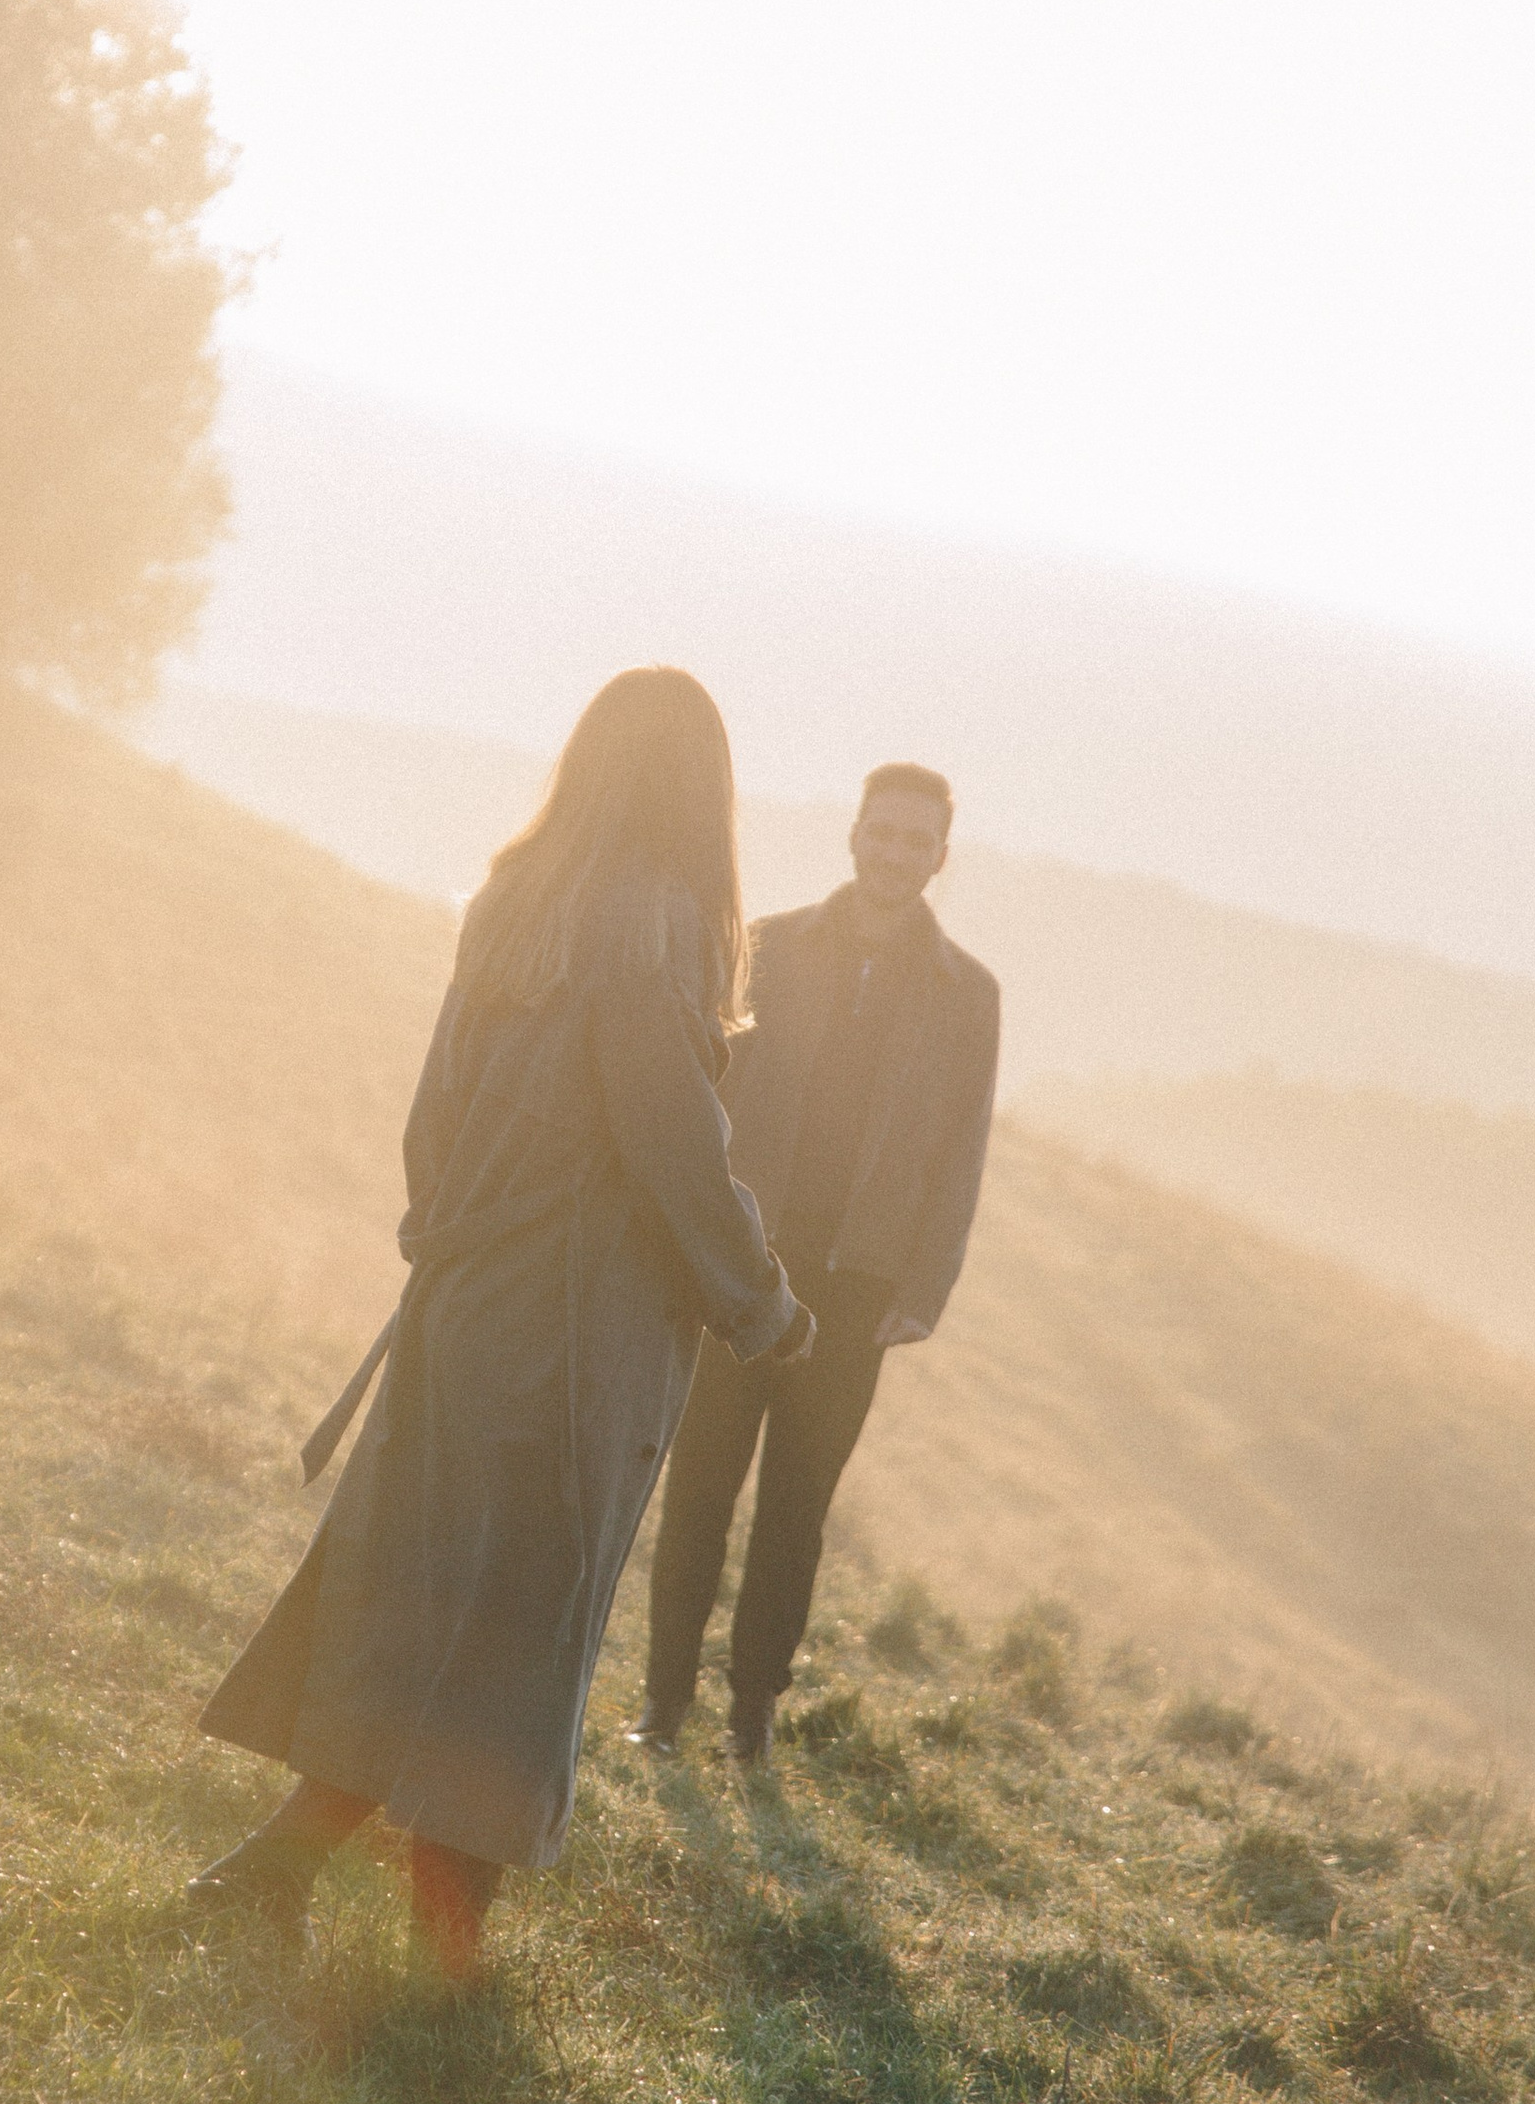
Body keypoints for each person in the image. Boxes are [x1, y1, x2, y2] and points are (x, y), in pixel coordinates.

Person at [187, 666, 813, 1982]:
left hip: (471, 1304)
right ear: (703, 791)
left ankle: (309, 1893)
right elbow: (677, 1153)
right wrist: (764, 1306)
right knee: (521, 1630)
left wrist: (446, 1242)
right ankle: (431, 1950)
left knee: (417, 1604)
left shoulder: (518, 897)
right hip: (579, 1338)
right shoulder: (660, 929)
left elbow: (436, 1111)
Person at [637, 760, 999, 1765]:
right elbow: (702, 1092)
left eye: (913, 840)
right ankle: (662, 1705)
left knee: (797, 1512)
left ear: (939, 857)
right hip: (742, 1268)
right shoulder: (769, 946)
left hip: (859, 1289)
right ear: (853, 835)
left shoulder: (970, 997)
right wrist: (690, 1239)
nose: (893, 854)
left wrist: (925, 1289)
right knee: (698, 1489)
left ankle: (751, 1717)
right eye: (879, 832)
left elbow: (961, 1150)